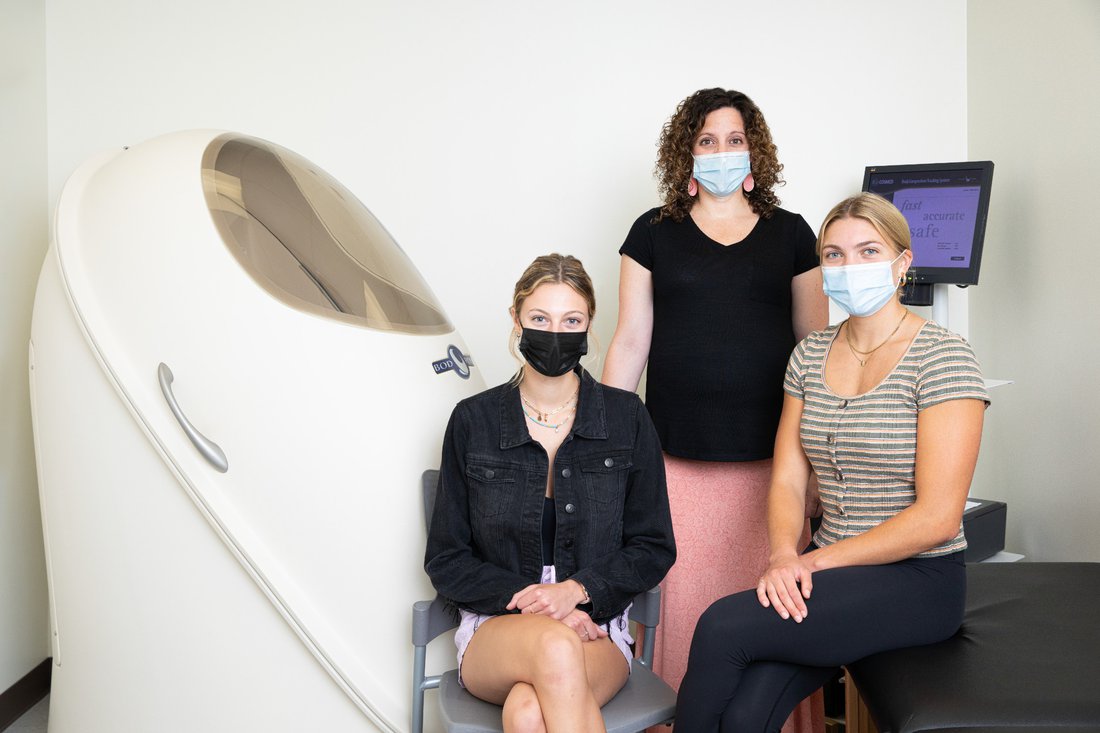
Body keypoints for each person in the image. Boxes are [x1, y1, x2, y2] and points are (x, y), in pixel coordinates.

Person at [673, 192, 989, 732]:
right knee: (748, 711)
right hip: (829, 566)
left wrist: (813, 564)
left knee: (723, 627)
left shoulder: (943, 355)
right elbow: (790, 479)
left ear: (902, 264)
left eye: (868, 251)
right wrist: (780, 555)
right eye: (835, 254)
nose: (850, 266)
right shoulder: (810, 354)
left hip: (917, 579)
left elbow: (938, 517)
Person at [602, 87, 828, 728]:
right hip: (676, 463)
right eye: (707, 141)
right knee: (687, 615)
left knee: (773, 612)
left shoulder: (791, 234)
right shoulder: (652, 232)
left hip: (774, 470)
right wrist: (605, 449)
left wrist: (811, 469)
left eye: (733, 140)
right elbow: (629, 342)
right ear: (687, 154)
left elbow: (816, 355)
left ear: (754, 151)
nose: (721, 152)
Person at [425, 253, 676, 733]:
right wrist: (537, 601)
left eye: (571, 320)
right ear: (516, 319)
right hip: (496, 626)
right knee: (554, 645)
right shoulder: (472, 421)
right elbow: (446, 559)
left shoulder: (627, 418)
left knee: (526, 712)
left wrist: (577, 593)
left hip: (596, 626)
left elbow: (653, 547)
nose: (554, 333)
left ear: (588, 328)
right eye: (540, 318)